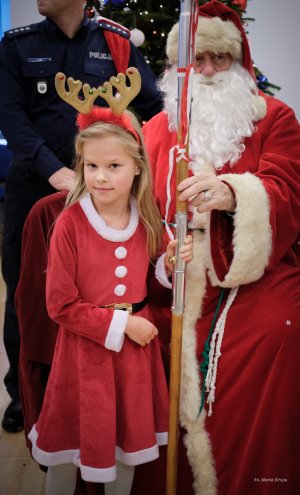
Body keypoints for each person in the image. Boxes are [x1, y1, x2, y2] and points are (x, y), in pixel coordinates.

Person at [131, 1, 300, 494]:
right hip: (171, 276)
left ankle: (259, 478)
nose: (205, 71)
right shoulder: (157, 129)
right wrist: (163, 262)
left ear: (239, 61)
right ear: (177, 67)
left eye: (218, 59)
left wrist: (235, 193)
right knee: (136, 339)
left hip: (252, 271)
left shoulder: (274, 117)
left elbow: (287, 189)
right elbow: (139, 213)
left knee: (280, 332)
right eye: (195, 60)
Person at [0, 0, 163, 432]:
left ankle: (89, 384)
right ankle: (24, 390)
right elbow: (10, 114)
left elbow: (152, 105)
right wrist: (55, 172)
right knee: (26, 291)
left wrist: (129, 164)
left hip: (105, 196)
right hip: (36, 187)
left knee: (96, 290)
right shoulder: (18, 45)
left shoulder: (116, 44)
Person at [27, 100, 193, 495]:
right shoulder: (70, 223)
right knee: (67, 455)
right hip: (84, 358)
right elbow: (60, 305)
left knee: (126, 452)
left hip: (134, 362)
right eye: (91, 166)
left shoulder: (146, 217)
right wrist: (124, 324)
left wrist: (169, 265)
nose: (100, 177)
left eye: (113, 166)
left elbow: (151, 280)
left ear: (137, 166)